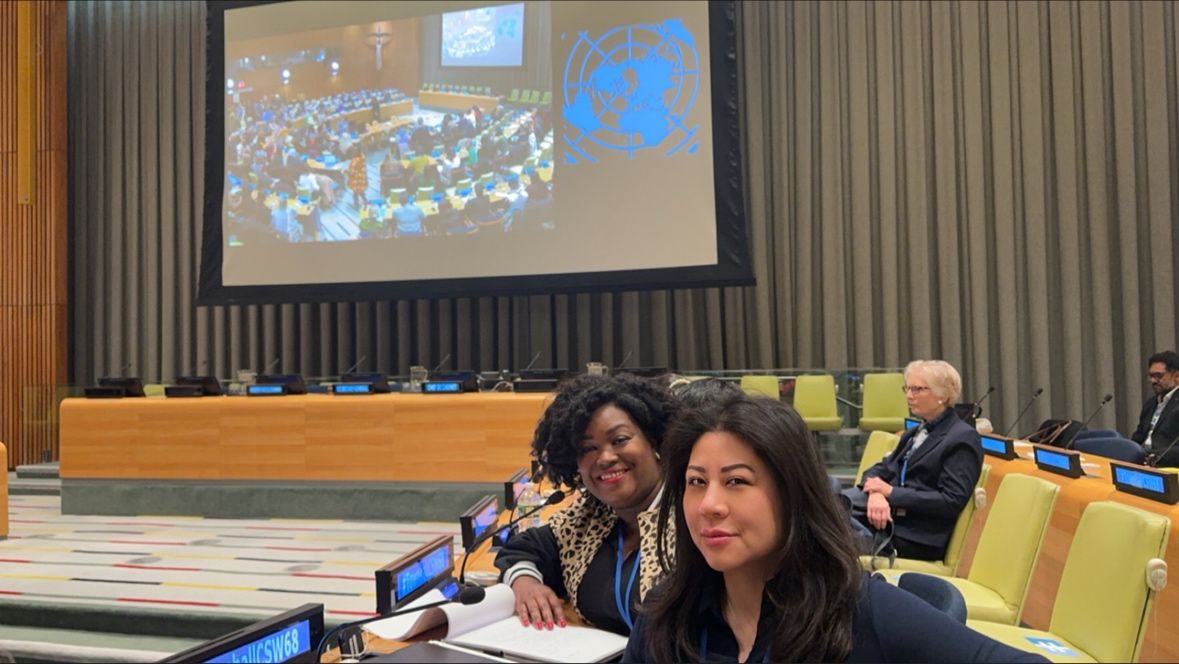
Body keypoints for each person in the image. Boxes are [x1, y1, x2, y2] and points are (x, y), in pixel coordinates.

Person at [623, 395, 1046, 663]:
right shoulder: (667, 614)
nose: (710, 505)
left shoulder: (862, 611)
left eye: (737, 481)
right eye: (696, 482)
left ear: (793, 493)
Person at [494, 373, 678, 636]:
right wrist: (525, 583)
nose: (605, 457)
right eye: (587, 449)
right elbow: (521, 550)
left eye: (620, 440)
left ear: (654, 439)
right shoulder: (591, 515)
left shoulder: (692, 515)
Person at [842, 360, 982, 561]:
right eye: (907, 389)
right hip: (883, 519)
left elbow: (950, 501)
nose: (909, 396)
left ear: (943, 395)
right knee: (826, 509)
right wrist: (876, 494)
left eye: (917, 389)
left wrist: (890, 493)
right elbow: (880, 469)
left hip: (913, 536)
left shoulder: (961, 438)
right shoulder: (914, 432)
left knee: (824, 529)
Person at [1131, 350, 1179, 465]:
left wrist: (1153, 456)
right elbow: (1138, 438)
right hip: (1143, 462)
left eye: (1158, 376)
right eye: (1151, 376)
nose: (1153, 381)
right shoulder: (1150, 404)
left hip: (1166, 465)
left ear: (1176, 376)